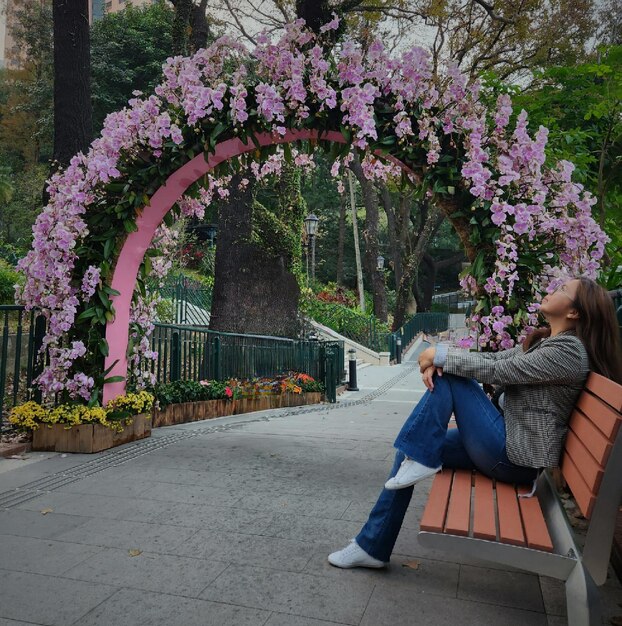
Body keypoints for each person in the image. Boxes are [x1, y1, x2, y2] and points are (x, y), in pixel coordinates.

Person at [328, 277, 622, 569]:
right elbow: (492, 357)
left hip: (513, 458)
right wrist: (440, 359)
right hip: (503, 441)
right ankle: (373, 546)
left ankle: (387, 519)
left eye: (562, 290)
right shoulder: (547, 342)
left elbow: (499, 369)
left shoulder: (568, 352)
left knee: (450, 382)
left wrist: (438, 356)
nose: (552, 289)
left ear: (574, 312)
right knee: (411, 449)